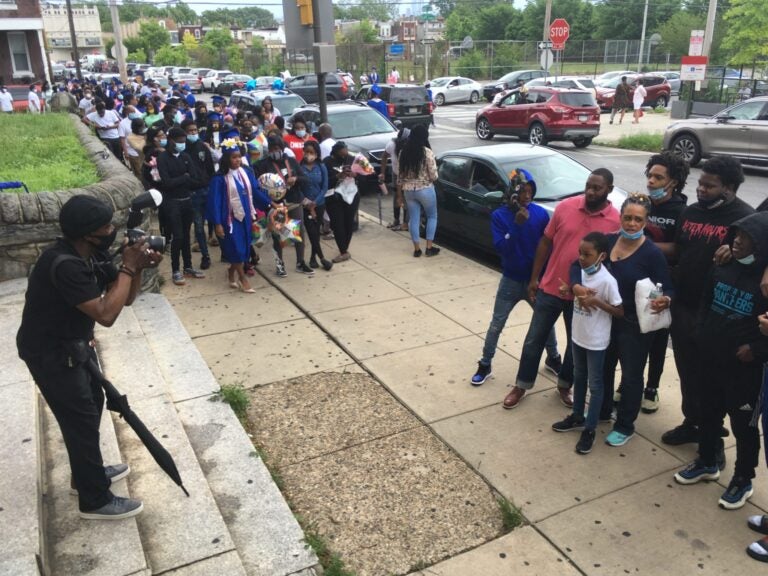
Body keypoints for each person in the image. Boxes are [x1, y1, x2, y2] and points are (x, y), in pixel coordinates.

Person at [16, 195, 161, 520]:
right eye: (106, 226)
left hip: (74, 346)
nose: (111, 230)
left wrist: (136, 269)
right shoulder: (64, 264)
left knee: (92, 405)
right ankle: (93, 500)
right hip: (49, 354)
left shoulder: (90, 253)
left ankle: (86, 474)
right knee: (79, 418)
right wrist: (127, 265)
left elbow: (124, 299)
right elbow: (105, 314)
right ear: (86, 233)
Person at [673, 212, 768, 510]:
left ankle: (743, 478)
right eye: (735, 235)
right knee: (708, 412)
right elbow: (705, 301)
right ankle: (707, 460)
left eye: (745, 238)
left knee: (743, 426)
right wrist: (700, 332)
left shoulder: (765, 282)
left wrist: (755, 348)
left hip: (744, 370)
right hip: (710, 355)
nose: (737, 241)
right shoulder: (722, 265)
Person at [504, 169, 620, 410]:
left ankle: (565, 385)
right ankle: (522, 384)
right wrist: (535, 277)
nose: (590, 191)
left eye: (597, 188)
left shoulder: (615, 221)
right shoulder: (566, 207)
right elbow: (546, 241)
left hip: (582, 297)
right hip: (551, 288)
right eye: (588, 185)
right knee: (534, 339)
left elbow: (611, 261)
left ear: (609, 189)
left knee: (574, 343)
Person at [663, 156, 755, 446]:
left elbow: (757, 266)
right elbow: (679, 250)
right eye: (700, 183)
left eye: (709, 185)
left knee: (711, 379)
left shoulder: (746, 220)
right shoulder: (690, 212)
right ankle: (692, 422)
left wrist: (737, 251)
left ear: (729, 188)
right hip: (684, 306)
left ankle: (711, 434)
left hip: (717, 315)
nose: (701, 189)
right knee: (687, 372)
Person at [583, 194, 673, 447]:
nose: (632, 223)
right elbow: (584, 260)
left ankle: (625, 425)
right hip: (605, 318)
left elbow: (668, 288)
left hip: (634, 326)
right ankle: (602, 411)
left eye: (638, 219)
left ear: (646, 221)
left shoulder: (652, 253)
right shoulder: (608, 241)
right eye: (628, 218)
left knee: (632, 376)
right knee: (603, 368)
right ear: (620, 217)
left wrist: (665, 300)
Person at [470, 169, 562, 387]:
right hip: (510, 280)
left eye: (531, 191)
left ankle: (553, 357)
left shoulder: (540, 214)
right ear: (513, 192)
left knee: (545, 324)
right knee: (496, 324)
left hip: (535, 281)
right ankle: (485, 364)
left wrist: (543, 277)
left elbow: (547, 247)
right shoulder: (500, 216)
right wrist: (516, 226)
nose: (527, 196)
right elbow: (502, 248)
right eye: (523, 191)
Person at [630, 152, 690, 414]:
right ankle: (628, 383)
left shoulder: (682, 211)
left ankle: (651, 388)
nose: (651, 181)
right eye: (650, 176)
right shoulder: (644, 205)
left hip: (662, 285)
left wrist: (646, 246)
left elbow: (679, 249)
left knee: (656, 339)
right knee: (632, 336)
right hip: (635, 280)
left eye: (658, 177)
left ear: (673, 182)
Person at [553, 232, 623, 455]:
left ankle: (590, 428)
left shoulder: (607, 281)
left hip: (596, 341)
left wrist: (597, 302)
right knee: (579, 377)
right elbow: (578, 294)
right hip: (578, 335)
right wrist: (569, 290)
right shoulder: (580, 274)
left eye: (587, 254)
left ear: (601, 256)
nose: (581, 258)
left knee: (595, 384)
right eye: (580, 253)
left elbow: (620, 311)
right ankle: (576, 416)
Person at [208, 141, 272, 292]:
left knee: (243, 249)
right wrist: (217, 223)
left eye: (239, 157)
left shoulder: (246, 173)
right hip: (228, 219)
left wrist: (270, 205)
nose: (237, 160)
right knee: (236, 248)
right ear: (227, 159)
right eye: (234, 157)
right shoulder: (219, 179)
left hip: (245, 217)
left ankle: (231, 271)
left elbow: (255, 192)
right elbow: (215, 202)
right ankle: (243, 279)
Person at [256, 136, 314, 277]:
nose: (275, 152)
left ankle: (300, 262)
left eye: (277, 149)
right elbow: (258, 186)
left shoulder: (292, 161)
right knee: (279, 235)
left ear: (282, 149)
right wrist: (270, 203)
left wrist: (296, 179)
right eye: (272, 149)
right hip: (277, 205)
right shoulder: (262, 165)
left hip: (294, 201)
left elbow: (306, 179)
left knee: (298, 233)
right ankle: (279, 264)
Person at [156, 126, 207, 286]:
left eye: (183, 141)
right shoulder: (163, 158)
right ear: (171, 141)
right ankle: (175, 269)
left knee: (186, 236)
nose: (181, 144)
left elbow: (193, 178)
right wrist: (184, 178)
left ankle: (188, 266)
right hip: (172, 203)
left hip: (187, 201)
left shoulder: (185, 156)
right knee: (177, 237)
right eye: (179, 142)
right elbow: (167, 183)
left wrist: (184, 179)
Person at [398, 124, 439, 258]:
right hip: (425, 189)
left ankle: (417, 249)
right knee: (432, 216)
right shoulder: (427, 152)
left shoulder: (403, 152)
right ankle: (429, 247)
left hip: (409, 190)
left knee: (413, 219)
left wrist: (399, 195)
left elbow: (400, 176)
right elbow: (433, 175)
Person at [182, 119, 216, 271]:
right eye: (190, 131)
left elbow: (210, 169)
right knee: (199, 225)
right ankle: (205, 255)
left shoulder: (203, 147)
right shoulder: (181, 151)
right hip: (193, 193)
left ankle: (225, 251)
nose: (193, 133)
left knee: (216, 221)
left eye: (195, 130)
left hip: (206, 190)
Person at [299, 140, 332, 271]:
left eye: (311, 152)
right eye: (306, 152)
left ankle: (313, 257)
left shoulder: (321, 167)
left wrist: (315, 202)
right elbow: (298, 188)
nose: (308, 155)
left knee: (316, 232)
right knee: (311, 232)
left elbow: (324, 187)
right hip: (305, 205)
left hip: (319, 204)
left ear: (317, 154)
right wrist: (307, 203)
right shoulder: (300, 168)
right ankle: (322, 258)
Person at [324, 141, 357, 263]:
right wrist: (338, 176)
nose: (344, 156)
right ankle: (343, 251)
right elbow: (325, 181)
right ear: (336, 152)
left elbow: (364, 175)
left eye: (346, 153)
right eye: (342, 154)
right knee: (337, 224)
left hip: (350, 195)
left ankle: (344, 249)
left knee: (348, 223)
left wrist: (355, 174)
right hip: (333, 197)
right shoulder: (327, 162)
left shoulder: (352, 159)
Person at [380, 127, 409, 231]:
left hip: (406, 175)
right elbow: (384, 157)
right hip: (396, 173)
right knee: (397, 196)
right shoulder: (392, 144)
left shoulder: (408, 146)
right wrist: (382, 173)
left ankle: (405, 223)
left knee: (406, 198)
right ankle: (396, 220)